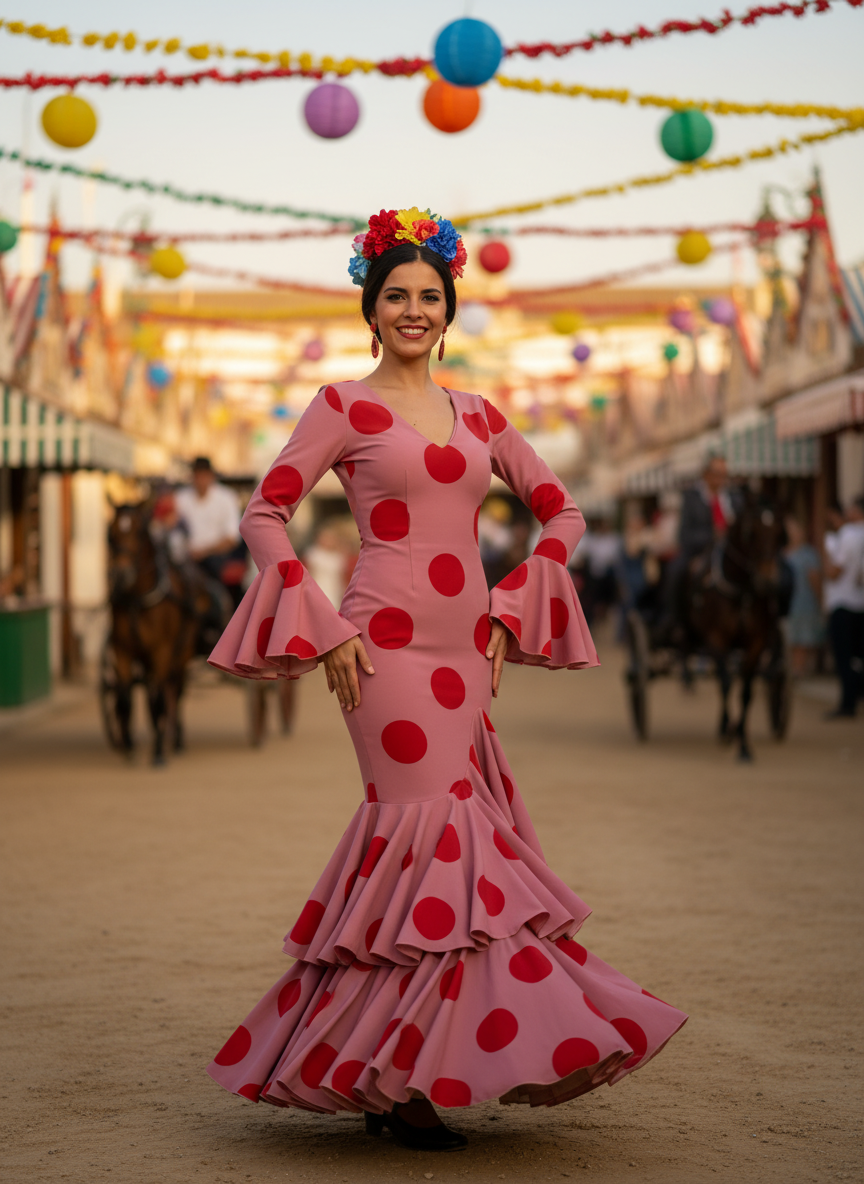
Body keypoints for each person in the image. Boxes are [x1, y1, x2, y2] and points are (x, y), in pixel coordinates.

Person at [205, 208, 686, 1151]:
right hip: (378, 649)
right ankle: (396, 1074)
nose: (414, 310)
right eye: (396, 297)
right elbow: (266, 513)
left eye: (430, 296)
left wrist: (514, 603)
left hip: (467, 652)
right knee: (429, 834)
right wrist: (312, 620)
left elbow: (563, 511)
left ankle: (391, 1071)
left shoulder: (482, 415)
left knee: (445, 853)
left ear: (449, 308)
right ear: (371, 310)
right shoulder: (340, 405)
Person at [175, 457, 246, 608]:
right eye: (197, 475)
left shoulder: (226, 498)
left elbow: (231, 538)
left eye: (203, 475)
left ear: (211, 476)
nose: (200, 480)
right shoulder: (181, 498)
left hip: (215, 557)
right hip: (184, 558)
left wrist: (203, 552)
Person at [823, 496, 864, 718]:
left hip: (842, 602)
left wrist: (826, 559)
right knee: (858, 657)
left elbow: (834, 572)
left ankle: (848, 704)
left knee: (844, 657)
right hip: (860, 603)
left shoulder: (848, 535)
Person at [783, 515, 824, 677]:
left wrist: (820, 599)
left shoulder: (808, 554)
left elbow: (814, 579)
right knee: (790, 638)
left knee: (802, 638)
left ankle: (798, 670)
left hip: (804, 601)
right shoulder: (781, 552)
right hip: (786, 602)